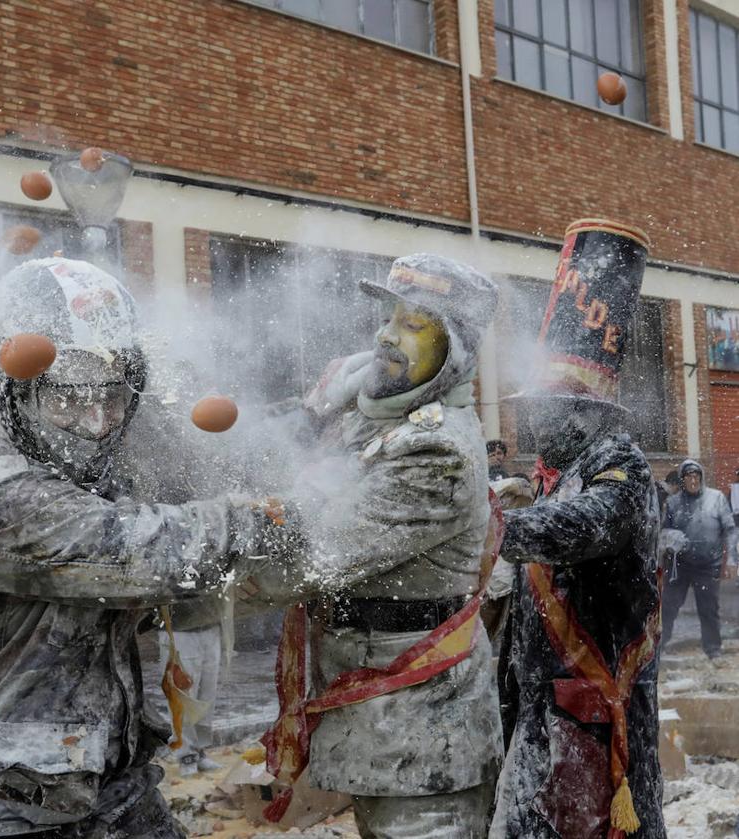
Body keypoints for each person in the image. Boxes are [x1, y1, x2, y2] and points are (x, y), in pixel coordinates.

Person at [0, 258, 289, 839]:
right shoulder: (0, 497)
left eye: (111, 398)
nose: (96, 422)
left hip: (105, 786)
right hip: (6, 807)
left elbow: (161, 605)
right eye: (69, 399)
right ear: (16, 394)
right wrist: (259, 522)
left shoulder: (90, 483)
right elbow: (140, 557)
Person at [258, 254, 503, 838]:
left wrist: (174, 562)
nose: (386, 335)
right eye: (392, 317)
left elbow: (314, 554)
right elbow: (281, 451)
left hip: (421, 733)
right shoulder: (374, 412)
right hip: (379, 715)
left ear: (457, 352)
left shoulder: (435, 448)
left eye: (415, 325)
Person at [492, 219, 664, 838]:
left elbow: (581, 525)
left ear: (585, 414)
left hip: (594, 713)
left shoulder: (621, 466)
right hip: (545, 706)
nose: (534, 424)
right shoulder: (557, 471)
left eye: (546, 411)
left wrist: (490, 526)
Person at [662, 459, 738, 663]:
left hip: (707, 565)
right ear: (682, 479)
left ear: (701, 478)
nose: (693, 480)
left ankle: (713, 649)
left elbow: (730, 530)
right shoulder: (673, 503)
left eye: (696, 476)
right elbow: (661, 532)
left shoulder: (717, 499)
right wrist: (671, 537)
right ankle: (658, 647)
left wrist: (731, 559)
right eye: (688, 477)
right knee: (668, 607)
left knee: (709, 609)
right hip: (679, 565)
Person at [156, 596, 226, 777]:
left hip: (210, 624)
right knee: (181, 695)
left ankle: (200, 751)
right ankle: (185, 755)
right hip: (179, 629)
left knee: (206, 694)